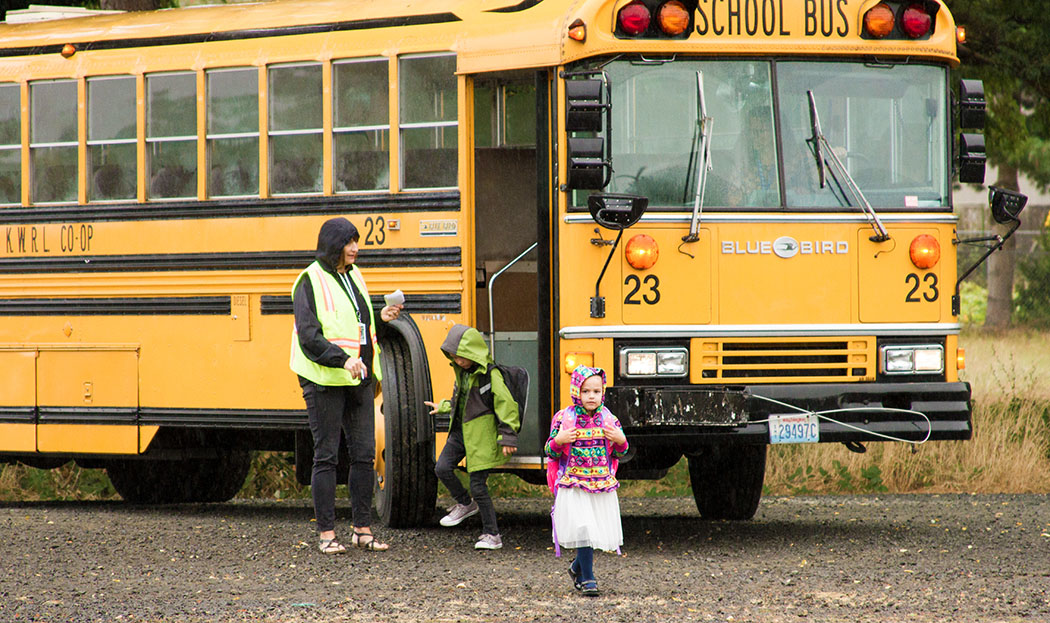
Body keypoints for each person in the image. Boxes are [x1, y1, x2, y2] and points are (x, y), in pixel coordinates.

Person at [290, 217, 403, 554]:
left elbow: (359, 326)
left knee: (364, 456)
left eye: (356, 242)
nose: (355, 248)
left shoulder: (354, 276)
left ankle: (361, 529)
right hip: (324, 379)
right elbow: (309, 336)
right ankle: (326, 533)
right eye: (349, 242)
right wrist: (342, 360)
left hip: (358, 379)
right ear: (333, 245)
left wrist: (380, 320)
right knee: (325, 456)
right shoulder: (308, 280)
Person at [424, 324, 520, 550]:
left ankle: (492, 534)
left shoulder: (490, 375)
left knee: (479, 486)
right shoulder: (463, 373)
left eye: (460, 357)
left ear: (472, 353)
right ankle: (465, 503)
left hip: (481, 437)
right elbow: (463, 401)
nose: (457, 361)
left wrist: (508, 436)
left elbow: (506, 404)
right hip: (461, 432)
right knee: (442, 468)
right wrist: (445, 406)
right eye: (454, 357)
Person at [545, 365, 629, 597]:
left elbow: (620, 452)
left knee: (593, 530)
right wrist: (559, 440)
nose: (591, 396)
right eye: (585, 391)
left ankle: (576, 568)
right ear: (575, 391)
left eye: (596, 391)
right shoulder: (564, 418)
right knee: (584, 526)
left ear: (602, 392)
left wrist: (621, 441)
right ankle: (589, 578)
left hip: (601, 484)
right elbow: (549, 451)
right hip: (573, 482)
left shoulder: (609, 418)